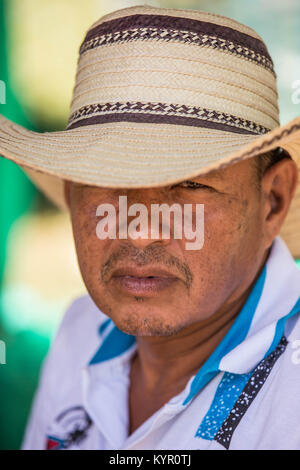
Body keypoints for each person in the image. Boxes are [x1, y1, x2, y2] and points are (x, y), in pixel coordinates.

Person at [0, 5, 300, 450]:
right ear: (69, 195)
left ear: (272, 200)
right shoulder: (81, 330)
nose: (139, 232)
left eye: (190, 184)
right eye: (105, 180)